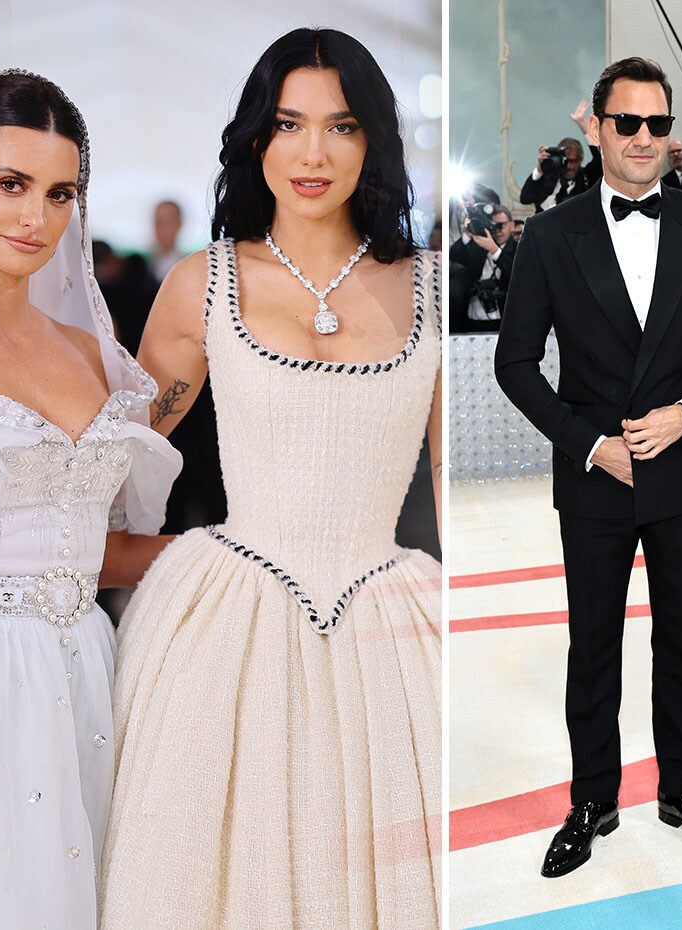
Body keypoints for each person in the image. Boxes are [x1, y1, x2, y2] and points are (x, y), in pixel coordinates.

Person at [101, 28, 442, 930]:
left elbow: (461, 496)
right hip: (225, 637)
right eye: (289, 124)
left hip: (396, 632)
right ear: (257, 137)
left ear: (373, 141)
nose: (313, 153)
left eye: (341, 126)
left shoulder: (432, 289)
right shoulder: (201, 284)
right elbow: (115, 464)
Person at [0, 71, 179, 928]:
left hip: (88, 680)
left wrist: (240, 553)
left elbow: (92, 551)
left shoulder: (93, 352)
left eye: (60, 194)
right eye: (9, 184)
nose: (35, 219)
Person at [495, 57, 682, 879]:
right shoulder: (550, 235)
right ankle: (594, 800)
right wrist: (591, 443)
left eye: (658, 123)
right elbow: (517, 365)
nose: (645, 138)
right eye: (628, 123)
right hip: (595, 478)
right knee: (594, 648)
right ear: (599, 129)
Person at [520, 102, 603, 213]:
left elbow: (600, 158)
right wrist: (540, 170)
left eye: (573, 161)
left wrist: (582, 124)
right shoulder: (549, 177)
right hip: (545, 227)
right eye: (565, 161)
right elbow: (525, 198)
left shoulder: (586, 177)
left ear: (580, 160)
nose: (569, 166)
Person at [449, 202, 516, 331]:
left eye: (501, 225)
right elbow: (455, 257)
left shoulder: (519, 249)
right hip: (473, 317)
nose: (498, 230)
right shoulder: (478, 246)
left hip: (505, 319)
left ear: (512, 225)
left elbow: (518, 274)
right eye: (493, 226)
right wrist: (468, 234)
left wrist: (494, 250)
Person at [149, 199, 184, 281]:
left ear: (179, 224)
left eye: (167, 222)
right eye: (158, 222)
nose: (161, 228)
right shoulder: (140, 267)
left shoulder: (190, 265)